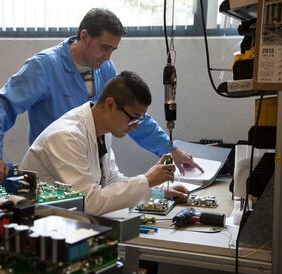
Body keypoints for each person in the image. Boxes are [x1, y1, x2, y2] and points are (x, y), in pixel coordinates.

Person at [0, 8, 203, 184]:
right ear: (84, 36)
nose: (107, 56)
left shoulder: (105, 69)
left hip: (92, 168)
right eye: (104, 48)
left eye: (112, 51)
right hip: (55, 173)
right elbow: (1, 105)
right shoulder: (44, 66)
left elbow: (130, 115)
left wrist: (170, 149)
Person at [20, 71, 189, 215]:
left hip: (69, 222)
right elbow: (88, 203)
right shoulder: (65, 137)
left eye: (140, 119)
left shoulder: (102, 130)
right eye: (133, 118)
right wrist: (147, 180)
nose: (136, 125)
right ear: (110, 104)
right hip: (41, 229)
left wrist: (156, 192)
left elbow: (110, 180)